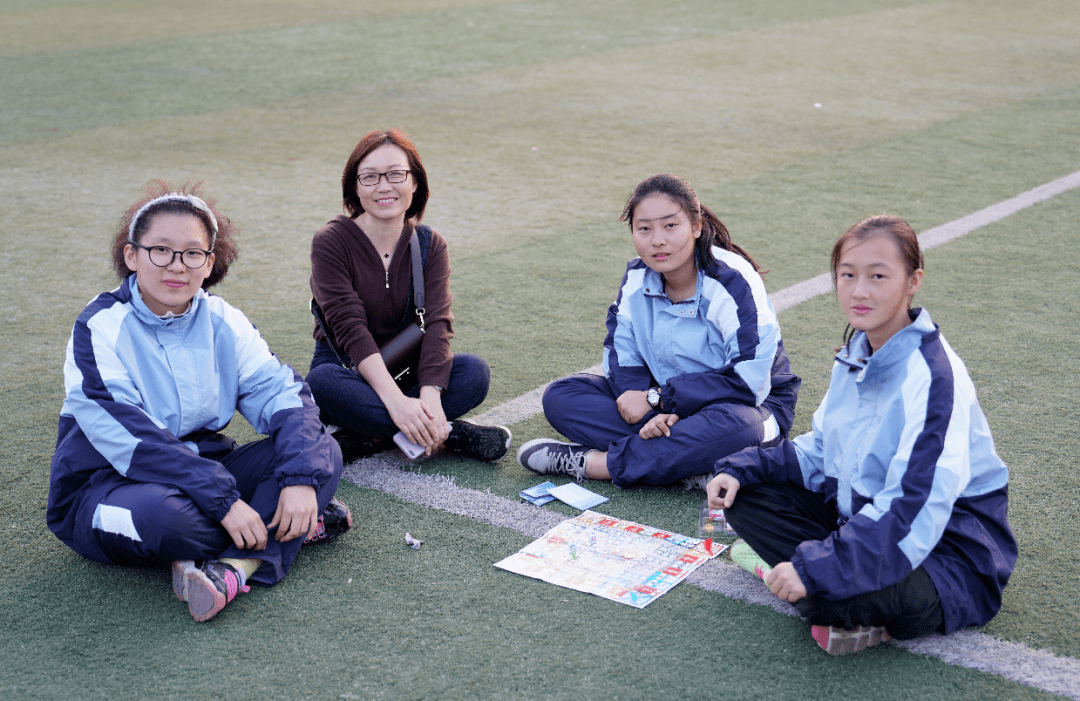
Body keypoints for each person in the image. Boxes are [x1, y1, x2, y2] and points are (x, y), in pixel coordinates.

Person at [707, 215, 1017, 655]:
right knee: (746, 497)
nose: (859, 290)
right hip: (862, 525)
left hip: (944, 557)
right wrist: (744, 468)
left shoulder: (933, 379)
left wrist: (817, 569)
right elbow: (820, 450)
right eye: (848, 275)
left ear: (913, 281)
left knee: (823, 590)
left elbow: (911, 508)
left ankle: (819, 586)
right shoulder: (856, 353)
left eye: (878, 276)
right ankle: (819, 581)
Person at [47, 182, 351, 623]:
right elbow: (133, 441)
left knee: (322, 450)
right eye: (161, 251)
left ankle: (235, 567)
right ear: (131, 256)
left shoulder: (224, 320)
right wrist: (225, 500)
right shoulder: (100, 326)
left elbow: (286, 397)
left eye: (193, 253)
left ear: (209, 263)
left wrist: (302, 479)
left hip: (203, 474)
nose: (177, 266)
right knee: (171, 525)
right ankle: (292, 530)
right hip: (104, 487)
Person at [517, 174, 800, 487]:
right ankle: (689, 462)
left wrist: (659, 400)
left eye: (670, 225)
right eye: (644, 229)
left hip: (749, 407)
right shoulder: (636, 279)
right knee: (562, 397)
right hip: (665, 407)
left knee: (736, 430)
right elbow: (622, 354)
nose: (657, 240)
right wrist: (648, 412)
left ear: (696, 225)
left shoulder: (733, 282)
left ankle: (596, 464)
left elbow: (749, 384)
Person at [306, 128, 511, 463]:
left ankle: (362, 437)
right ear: (355, 187)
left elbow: (437, 324)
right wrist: (397, 403)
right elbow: (350, 328)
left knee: (474, 373)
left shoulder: (430, 244)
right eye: (370, 177)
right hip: (349, 369)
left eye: (396, 174)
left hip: (408, 369)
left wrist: (429, 398)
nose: (384, 186)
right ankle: (448, 433)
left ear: (415, 182)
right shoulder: (331, 241)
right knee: (321, 383)